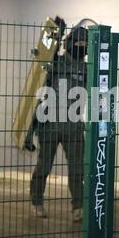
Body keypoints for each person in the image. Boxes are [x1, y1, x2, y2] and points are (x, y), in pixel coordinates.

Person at [29, 25, 88, 222]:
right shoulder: (55, 62)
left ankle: (78, 207)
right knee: (44, 166)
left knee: (77, 169)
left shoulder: (88, 68)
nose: (81, 45)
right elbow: (43, 55)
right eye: (77, 41)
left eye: (84, 42)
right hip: (50, 124)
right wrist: (54, 33)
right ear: (68, 44)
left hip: (74, 126)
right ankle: (37, 202)